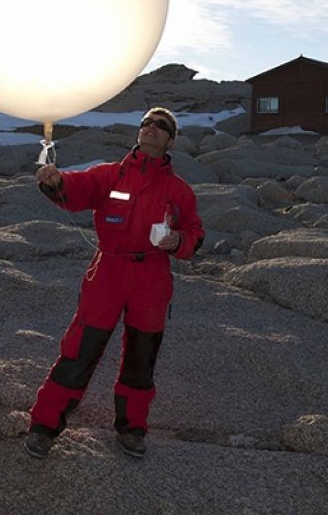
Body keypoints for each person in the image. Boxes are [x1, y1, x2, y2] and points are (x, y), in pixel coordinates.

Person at [24, 107, 205, 460]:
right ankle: (44, 427)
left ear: (171, 140)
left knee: (141, 358)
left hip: (152, 278)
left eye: (161, 126)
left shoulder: (180, 192)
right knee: (79, 351)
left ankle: (132, 429)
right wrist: (55, 182)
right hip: (107, 273)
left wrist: (179, 241)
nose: (151, 129)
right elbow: (74, 190)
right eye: (147, 124)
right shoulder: (109, 175)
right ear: (139, 133)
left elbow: (196, 233)